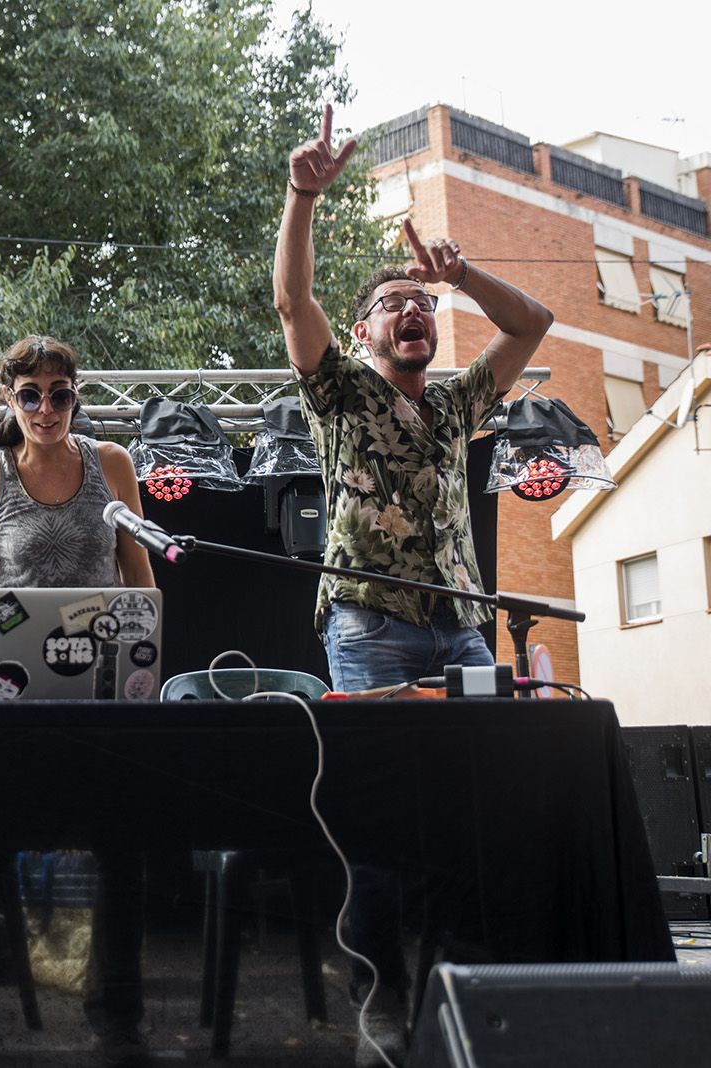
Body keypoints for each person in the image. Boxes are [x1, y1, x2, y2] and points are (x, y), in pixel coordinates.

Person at [272, 107, 553, 1066]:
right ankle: (381, 1001)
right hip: (370, 628)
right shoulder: (339, 391)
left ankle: (466, 990)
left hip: (462, 632)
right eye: (395, 303)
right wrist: (304, 194)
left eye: (421, 304)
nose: (413, 313)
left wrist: (458, 274)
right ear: (362, 331)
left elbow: (537, 324)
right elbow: (289, 301)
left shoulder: (461, 403)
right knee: (383, 822)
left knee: (471, 807)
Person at [0, 335, 158, 1068]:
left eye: (61, 393)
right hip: (17, 697)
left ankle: (120, 1022)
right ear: (6, 398)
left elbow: (139, 573)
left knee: (122, 854)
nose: (47, 408)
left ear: (78, 395)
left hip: (103, 692)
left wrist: (146, 642)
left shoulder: (113, 466)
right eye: (31, 394)